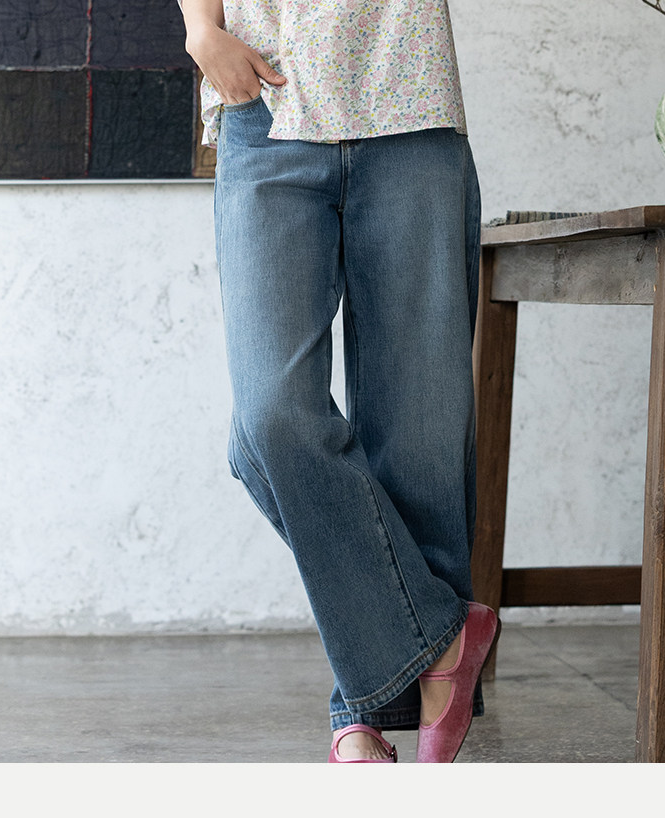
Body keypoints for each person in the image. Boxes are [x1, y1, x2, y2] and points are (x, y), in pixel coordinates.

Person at [179, 0, 498, 763]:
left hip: (410, 100)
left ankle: (365, 715)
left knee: (419, 439)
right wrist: (199, 29)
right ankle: (442, 645)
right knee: (270, 420)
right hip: (267, 103)